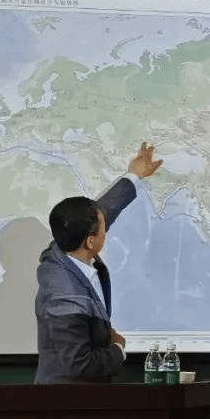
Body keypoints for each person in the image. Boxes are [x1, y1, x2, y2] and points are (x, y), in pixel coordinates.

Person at [34, 142, 163, 384]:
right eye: (103, 227)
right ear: (90, 241)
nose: (106, 228)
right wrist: (118, 349)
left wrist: (134, 175)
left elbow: (102, 212)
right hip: (68, 399)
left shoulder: (60, 249)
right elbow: (80, 364)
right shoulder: (66, 296)